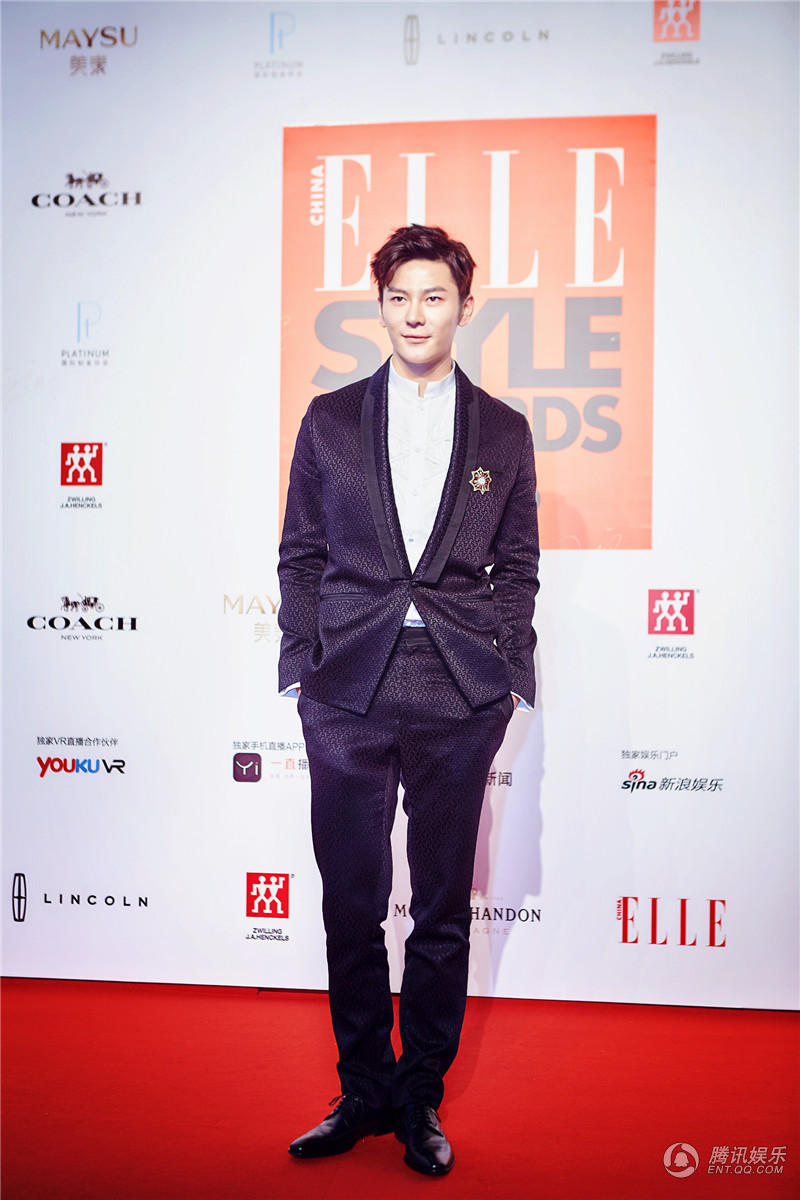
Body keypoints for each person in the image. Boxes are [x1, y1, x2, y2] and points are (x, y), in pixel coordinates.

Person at [277, 224, 539, 1177]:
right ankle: (362, 1090)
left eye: (434, 297)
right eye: (399, 298)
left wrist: (510, 675)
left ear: (464, 305)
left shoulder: (503, 430)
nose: (416, 315)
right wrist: (304, 665)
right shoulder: (329, 420)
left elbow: (519, 566)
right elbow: (301, 554)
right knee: (351, 902)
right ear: (379, 305)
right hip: (347, 687)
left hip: (459, 691)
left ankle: (420, 1096)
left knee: (438, 911)